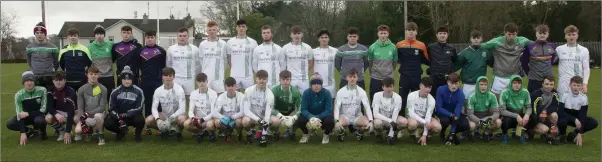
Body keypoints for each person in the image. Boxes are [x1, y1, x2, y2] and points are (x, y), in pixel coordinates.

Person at [481, 23, 533, 97]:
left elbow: (535, 45)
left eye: (513, 34)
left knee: (513, 101)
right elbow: (482, 46)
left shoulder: (522, 41)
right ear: (505, 33)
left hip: (515, 77)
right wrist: (490, 60)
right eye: (509, 34)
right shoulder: (497, 41)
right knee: (496, 101)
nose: (511, 37)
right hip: (499, 77)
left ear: (516, 33)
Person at [145, 67, 187, 141]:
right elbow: (154, 108)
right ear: (162, 77)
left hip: (176, 115)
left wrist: (171, 118)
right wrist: (158, 120)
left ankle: (177, 131)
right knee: (148, 120)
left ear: (173, 77)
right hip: (164, 115)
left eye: (170, 76)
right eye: (166, 76)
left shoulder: (179, 90)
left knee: (182, 119)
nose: (168, 78)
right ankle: (164, 129)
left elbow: (182, 109)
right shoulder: (158, 90)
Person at [6, 71, 48, 145]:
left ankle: (43, 132)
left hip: (38, 115)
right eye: (27, 81)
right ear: (23, 83)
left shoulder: (42, 90)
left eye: (31, 80)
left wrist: (28, 113)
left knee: (40, 121)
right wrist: (22, 132)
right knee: (10, 123)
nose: (29, 83)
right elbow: (20, 114)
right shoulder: (18, 95)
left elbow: (44, 109)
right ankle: (30, 131)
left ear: (34, 81)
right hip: (26, 117)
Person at [105, 66, 145, 142]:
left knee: (140, 120)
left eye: (129, 79)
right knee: (108, 123)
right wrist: (119, 119)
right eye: (124, 79)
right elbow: (111, 109)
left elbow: (139, 108)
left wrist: (127, 114)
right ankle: (120, 132)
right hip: (119, 117)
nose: (127, 81)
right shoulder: (115, 92)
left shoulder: (139, 91)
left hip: (132, 116)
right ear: (121, 80)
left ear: (132, 79)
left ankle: (138, 134)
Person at [139, 30, 167, 135]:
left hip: (157, 81)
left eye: (152, 37)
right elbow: (139, 66)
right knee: (147, 102)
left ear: (155, 38)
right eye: (148, 37)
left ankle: (159, 125)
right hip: (145, 81)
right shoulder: (141, 51)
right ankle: (147, 127)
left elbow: (164, 66)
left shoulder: (161, 51)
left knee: (158, 103)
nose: (150, 39)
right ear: (145, 38)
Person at [396, 22, 428, 115]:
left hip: (416, 76)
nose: (411, 32)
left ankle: (414, 120)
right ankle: (401, 120)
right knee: (402, 99)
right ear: (405, 32)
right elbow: (395, 59)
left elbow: (427, 60)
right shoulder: (399, 45)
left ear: (416, 32)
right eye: (409, 30)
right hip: (404, 76)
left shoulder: (421, 45)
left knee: (415, 99)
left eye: (413, 30)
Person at [558, 76, 598, 146]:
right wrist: (574, 119)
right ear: (570, 85)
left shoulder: (584, 98)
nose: (576, 87)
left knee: (593, 122)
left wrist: (580, 133)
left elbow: (582, 116)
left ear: (581, 86)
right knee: (562, 120)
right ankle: (563, 135)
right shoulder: (565, 95)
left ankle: (574, 133)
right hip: (566, 117)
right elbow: (561, 112)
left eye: (578, 85)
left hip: (578, 118)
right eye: (574, 85)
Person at [295, 73, 335, 144]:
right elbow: (303, 109)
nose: (316, 86)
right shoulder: (306, 93)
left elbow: (328, 110)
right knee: (299, 120)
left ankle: (326, 134)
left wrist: (317, 117)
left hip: (322, 116)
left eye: (319, 83)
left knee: (330, 121)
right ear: (311, 84)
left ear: (321, 84)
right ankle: (306, 133)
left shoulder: (327, 93)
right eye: (314, 83)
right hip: (310, 116)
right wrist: (311, 117)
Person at [334, 69, 373, 141]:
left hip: (357, 117)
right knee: (338, 126)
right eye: (350, 77)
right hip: (345, 117)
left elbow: (367, 106)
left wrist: (370, 120)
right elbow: (337, 107)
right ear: (347, 78)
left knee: (368, 125)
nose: (352, 79)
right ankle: (342, 133)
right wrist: (336, 120)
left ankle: (359, 132)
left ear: (357, 78)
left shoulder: (361, 91)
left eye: (354, 77)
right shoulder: (341, 91)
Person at [453, 30, 491, 102]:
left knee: (480, 103)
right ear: (471, 39)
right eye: (474, 38)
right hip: (468, 83)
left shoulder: (486, 52)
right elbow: (455, 65)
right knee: (467, 102)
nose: (476, 40)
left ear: (481, 39)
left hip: (481, 83)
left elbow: (493, 63)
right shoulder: (464, 52)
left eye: (478, 38)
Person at [74, 66, 108, 145]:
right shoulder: (81, 89)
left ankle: (101, 135)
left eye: (95, 74)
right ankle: (87, 133)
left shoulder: (103, 89)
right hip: (86, 116)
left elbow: (102, 107)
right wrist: (81, 121)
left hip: (99, 115)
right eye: (91, 74)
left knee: (98, 116)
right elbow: (80, 107)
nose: (93, 76)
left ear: (98, 75)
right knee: (76, 119)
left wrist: (88, 113)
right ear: (87, 75)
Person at [166, 27, 201, 103]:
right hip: (176, 79)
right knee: (175, 101)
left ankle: (191, 115)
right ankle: (176, 115)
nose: (182, 38)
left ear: (188, 37)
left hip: (189, 79)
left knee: (190, 101)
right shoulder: (171, 49)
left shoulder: (195, 49)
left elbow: (198, 65)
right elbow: (169, 65)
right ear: (177, 37)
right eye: (180, 36)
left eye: (184, 36)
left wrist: (194, 76)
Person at [242, 70, 275, 146]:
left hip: (263, 118)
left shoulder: (270, 95)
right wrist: (258, 120)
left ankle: (267, 133)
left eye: (264, 79)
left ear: (267, 80)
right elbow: (246, 111)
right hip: (253, 117)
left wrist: (264, 136)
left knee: (275, 121)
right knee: (245, 121)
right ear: (256, 79)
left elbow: (267, 115)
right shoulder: (248, 91)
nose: (261, 81)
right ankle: (249, 134)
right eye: (259, 79)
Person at [555, 25, 590, 98]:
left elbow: (586, 68)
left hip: (577, 84)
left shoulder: (584, 50)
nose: (571, 37)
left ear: (577, 36)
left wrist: (585, 84)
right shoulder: (559, 49)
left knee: (576, 107)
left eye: (573, 34)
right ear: (565, 36)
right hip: (563, 84)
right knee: (562, 107)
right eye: (569, 35)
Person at [435, 73, 469, 145]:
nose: (454, 86)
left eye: (456, 84)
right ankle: (443, 130)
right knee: (445, 120)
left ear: (459, 83)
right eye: (452, 83)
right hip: (442, 114)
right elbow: (438, 108)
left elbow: (456, 113)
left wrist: (452, 132)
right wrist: (450, 114)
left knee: (465, 124)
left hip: (454, 114)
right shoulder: (440, 90)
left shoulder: (461, 95)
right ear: (448, 82)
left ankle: (451, 134)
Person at [183, 73, 219, 143]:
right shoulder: (193, 93)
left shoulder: (213, 93)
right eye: (199, 82)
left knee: (209, 125)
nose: (202, 84)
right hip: (197, 120)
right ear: (197, 83)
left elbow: (213, 112)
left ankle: (211, 132)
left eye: (203, 81)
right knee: (186, 124)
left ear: (207, 81)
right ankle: (201, 132)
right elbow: (190, 110)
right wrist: (193, 118)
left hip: (209, 119)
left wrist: (203, 120)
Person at [406, 76, 442, 146]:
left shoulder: (431, 100)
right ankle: (413, 133)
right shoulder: (411, 95)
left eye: (429, 87)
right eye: (425, 87)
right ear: (420, 86)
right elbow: (411, 113)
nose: (427, 90)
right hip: (414, 118)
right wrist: (425, 122)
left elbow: (428, 116)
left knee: (438, 127)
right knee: (412, 124)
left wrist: (424, 135)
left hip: (425, 119)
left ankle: (425, 135)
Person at [521, 24, 557, 93]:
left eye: (544, 33)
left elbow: (552, 59)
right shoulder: (530, 46)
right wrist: (529, 73)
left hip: (548, 80)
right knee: (533, 101)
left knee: (547, 101)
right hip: (534, 80)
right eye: (540, 33)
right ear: (536, 34)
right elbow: (524, 62)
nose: (542, 35)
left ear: (548, 35)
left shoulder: (552, 46)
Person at [372, 77, 408, 145]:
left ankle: (394, 132)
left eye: (391, 86)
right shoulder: (377, 95)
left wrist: (391, 135)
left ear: (394, 86)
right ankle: (380, 133)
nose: (389, 89)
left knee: (404, 122)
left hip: (393, 120)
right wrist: (389, 120)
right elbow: (375, 114)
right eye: (387, 87)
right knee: (377, 123)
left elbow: (394, 115)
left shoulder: (398, 98)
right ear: (382, 87)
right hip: (382, 119)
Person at [466, 76, 502, 142]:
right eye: (481, 84)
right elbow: (470, 114)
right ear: (477, 85)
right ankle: (468, 133)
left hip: (486, 118)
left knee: (498, 122)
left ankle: (487, 132)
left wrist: (489, 119)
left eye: (485, 84)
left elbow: (497, 112)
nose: (483, 87)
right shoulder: (472, 96)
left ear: (487, 85)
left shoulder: (492, 96)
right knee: (472, 126)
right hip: (474, 118)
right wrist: (480, 121)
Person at [367, 25, 397, 103]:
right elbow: (370, 63)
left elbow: (394, 63)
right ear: (378, 34)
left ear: (388, 34)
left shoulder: (393, 47)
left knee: (388, 99)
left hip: (388, 77)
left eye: (385, 33)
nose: (383, 35)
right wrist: (373, 73)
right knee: (374, 98)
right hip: (376, 77)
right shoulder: (372, 47)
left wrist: (388, 71)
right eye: (381, 33)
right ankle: (373, 114)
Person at [45, 71, 76, 143]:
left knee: (76, 118)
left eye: (60, 80)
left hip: (70, 112)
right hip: (58, 112)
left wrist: (68, 131)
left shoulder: (70, 91)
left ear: (65, 81)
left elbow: (71, 111)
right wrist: (56, 114)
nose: (58, 82)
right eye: (56, 80)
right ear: (53, 81)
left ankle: (76, 133)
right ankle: (62, 131)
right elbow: (49, 107)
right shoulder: (50, 91)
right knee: (48, 118)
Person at [499, 75, 532, 144]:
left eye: (519, 83)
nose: (517, 85)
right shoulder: (504, 92)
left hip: (519, 114)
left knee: (530, 118)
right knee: (505, 121)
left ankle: (520, 134)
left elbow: (529, 107)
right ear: (511, 83)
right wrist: (516, 116)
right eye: (514, 83)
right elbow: (502, 111)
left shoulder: (525, 92)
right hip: (508, 115)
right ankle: (504, 134)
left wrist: (527, 115)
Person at [227, 19, 258, 91]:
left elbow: (255, 59)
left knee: (249, 96)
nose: (241, 28)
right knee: (235, 97)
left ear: (246, 28)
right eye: (239, 26)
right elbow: (229, 58)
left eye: (243, 26)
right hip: (235, 75)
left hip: (248, 76)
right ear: (236, 28)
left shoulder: (253, 42)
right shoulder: (230, 42)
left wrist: (252, 70)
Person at [26, 22, 59, 89]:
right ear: (34, 34)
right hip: (35, 76)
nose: (39, 35)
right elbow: (29, 60)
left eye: (41, 33)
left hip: (49, 76)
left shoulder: (53, 47)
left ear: (45, 34)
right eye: (37, 33)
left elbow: (56, 62)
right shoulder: (29, 47)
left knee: (49, 96)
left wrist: (51, 70)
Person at [426, 26, 457, 97]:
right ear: (437, 35)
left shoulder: (452, 48)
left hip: (447, 78)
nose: (442, 35)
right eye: (440, 33)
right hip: (434, 78)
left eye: (444, 33)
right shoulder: (430, 47)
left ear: (447, 35)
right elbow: (427, 59)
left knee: (446, 98)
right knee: (433, 99)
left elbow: (454, 60)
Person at [528, 75, 560, 144]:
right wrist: (547, 122)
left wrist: (546, 112)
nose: (549, 86)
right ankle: (530, 131)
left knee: (554, 115)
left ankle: (549, 135)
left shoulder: (554, 93)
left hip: (545, 115)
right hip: (534, 119)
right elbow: (534, 112)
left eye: (551, 84)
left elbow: (556, 106)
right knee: (544, 129)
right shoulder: (535, 94)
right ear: (542, 84)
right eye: (547, 84)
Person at [281, 25, 314, 93]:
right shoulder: (285, 48)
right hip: (291, 79)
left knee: (304, 100)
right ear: (291, 35)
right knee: (290, 100)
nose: (297, 35)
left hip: (304, 80)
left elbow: (310, 63)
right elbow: (283, 64)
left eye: (299, 33)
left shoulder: (308, 47)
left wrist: (303, 71)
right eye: (294, 33)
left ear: (302, 35)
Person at [271, 70, 302, 141]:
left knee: (298, 118)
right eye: (283, 79)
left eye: (287, 79)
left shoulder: (295, 92)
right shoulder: (274, 90)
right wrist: (279, 115)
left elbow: (301, 108)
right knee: (275, 121)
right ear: (279, 80)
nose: (285, 81)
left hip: (290, 111)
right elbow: (270, 107)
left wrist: (294, 117)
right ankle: (276, 131)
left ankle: (291, 131)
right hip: (278, 111)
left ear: (290, 80)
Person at [213, 77, 246, 143]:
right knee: (217, 122)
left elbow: (243, 112)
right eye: (228, 86)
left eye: (232, 86)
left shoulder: (241, 96)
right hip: (225, 119)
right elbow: (215, 112)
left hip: (236, 118)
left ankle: (239, 134)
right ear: (225, 87)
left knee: (239, 122)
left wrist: (233, 117)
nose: (230, 88)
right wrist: (223, 117)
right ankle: (227, 132)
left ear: (235, 86)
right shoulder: (221, 97)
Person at [199, 21, 228, 95]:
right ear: (207, 31)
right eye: (210, 30)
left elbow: (225, 60)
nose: (212, 32)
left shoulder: (223, 44)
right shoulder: (202, 44)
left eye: (214, 30)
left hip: (218, 77)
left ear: (217, 31)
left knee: (220, 97)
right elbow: (201, 60)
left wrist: (220, 71)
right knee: (206, 96)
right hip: (206, 77)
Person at [88, 25, 115, 99]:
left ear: (104, 35)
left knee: (110, 98)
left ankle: (110, 111)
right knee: (97, 99)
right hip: (96, 77)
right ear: (94, 35)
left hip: (109, 76)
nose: (99, 36)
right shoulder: (89, 47)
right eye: (97, 34)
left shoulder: (110, 45)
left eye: (101, 34)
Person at [312, 29, 338, 99]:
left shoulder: (335, 51)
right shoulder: (313, 51)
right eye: (322, 37)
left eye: (326, 37)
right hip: (317, 83)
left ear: (329, 39)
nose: (324, 39)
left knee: (330, 106)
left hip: (330, 84)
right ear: (318, 39)